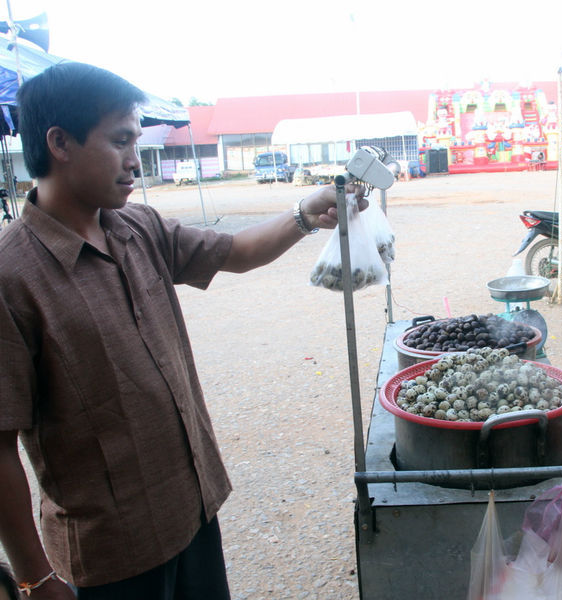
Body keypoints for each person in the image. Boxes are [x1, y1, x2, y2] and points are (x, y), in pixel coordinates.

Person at [0, 62, 366, 599]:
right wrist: (35, 577)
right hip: (109, 559)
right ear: (59, 142)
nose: (135, 160)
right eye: (121, 140)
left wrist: (307, 213)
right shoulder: (13, 276)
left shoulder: (136, 228)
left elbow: (236, 253)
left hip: (191, 513)